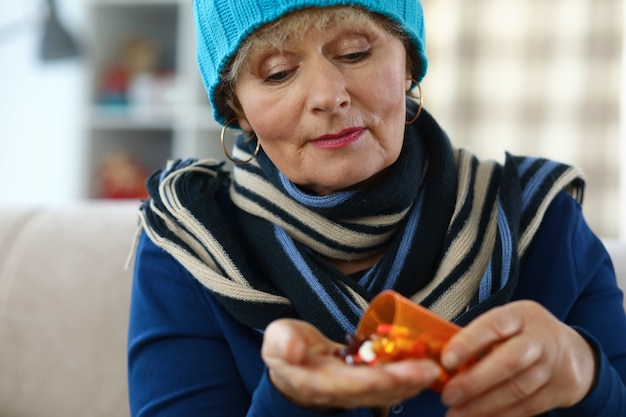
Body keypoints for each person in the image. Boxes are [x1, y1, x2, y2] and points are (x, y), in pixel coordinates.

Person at [126, 0, 626, 416]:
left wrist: (589, 377)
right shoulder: (190, 242)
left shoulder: (541, 217)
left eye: (355, 52)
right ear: (237, 108)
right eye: (278, 73)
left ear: (408, 62)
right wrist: (294, 401)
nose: (328, 96)